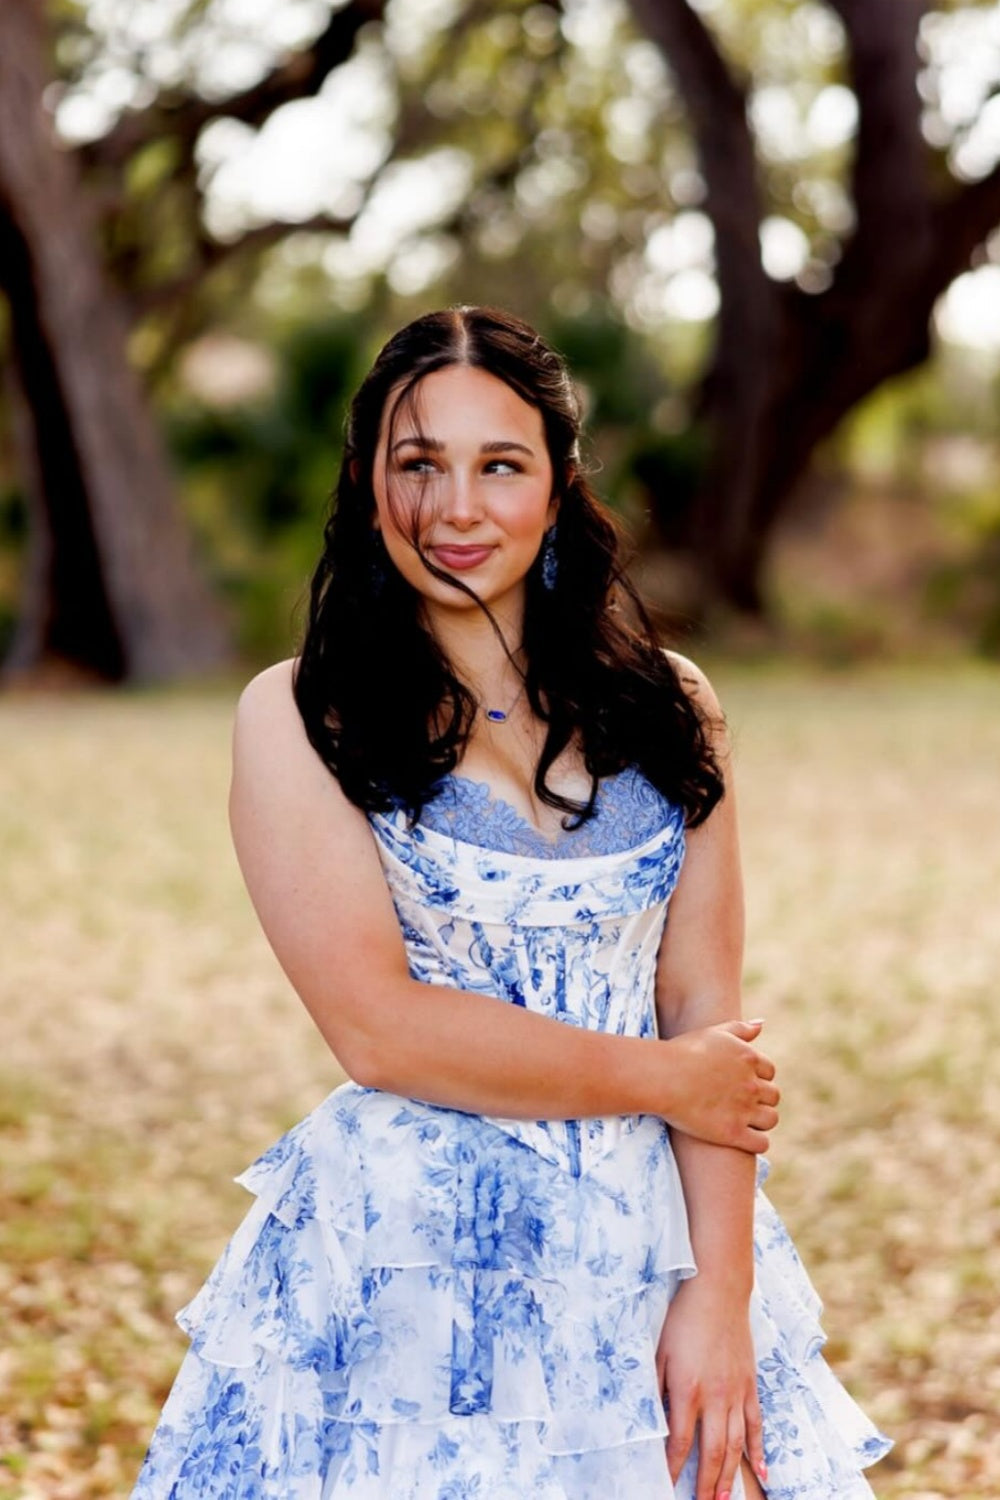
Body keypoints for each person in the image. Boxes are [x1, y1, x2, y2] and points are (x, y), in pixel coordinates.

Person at [131, 306, 890, 1500]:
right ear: (367, 482)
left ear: (558, 486)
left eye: (500, 465)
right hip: (412, 1267)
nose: (455, 508)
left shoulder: (671, 704)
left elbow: (703, 1003)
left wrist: (721, 1295)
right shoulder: (296, 716)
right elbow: (378, 1029)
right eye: (417, 463)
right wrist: (663, 1077)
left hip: (652, 1243)